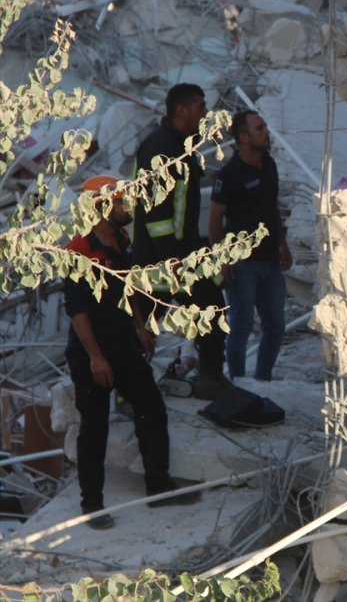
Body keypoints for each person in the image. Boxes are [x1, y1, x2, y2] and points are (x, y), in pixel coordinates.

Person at [64, 176, 200, 530]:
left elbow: (127, 288)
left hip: (124, 346)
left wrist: (141, 326)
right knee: (93, 430)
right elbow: (77, 311)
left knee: (151, 410)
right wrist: (95, 357)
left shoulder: (121, 240)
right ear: (102, 205)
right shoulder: (79, 249)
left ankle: (158, 486)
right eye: (123, 203)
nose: (129, 208)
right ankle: (92, 505)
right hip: (93, 353)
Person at [133, 83, 230, 399]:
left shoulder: (181, 147)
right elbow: (156, 212)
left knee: (212, 308)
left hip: (182, 251)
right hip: (159, 257)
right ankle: (127, 393)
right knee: (142, 328)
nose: (205, 112)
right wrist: (168, 260)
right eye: (200, 106)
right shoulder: (159, 148)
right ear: (181, 110)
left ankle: (211, 378)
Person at [208, 111, 291, 381]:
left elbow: (272, 208)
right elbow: (214, 220)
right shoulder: (229, 175)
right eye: (259, 128)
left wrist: (283, 244)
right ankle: (239, 384)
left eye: (265, 126)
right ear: (243, 137)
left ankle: (262, 380)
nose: (266, 131)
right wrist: (222, 260)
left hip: (270, 261)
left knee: (275, 327)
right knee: (241, 328)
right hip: (242, 264)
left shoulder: (269, 164)